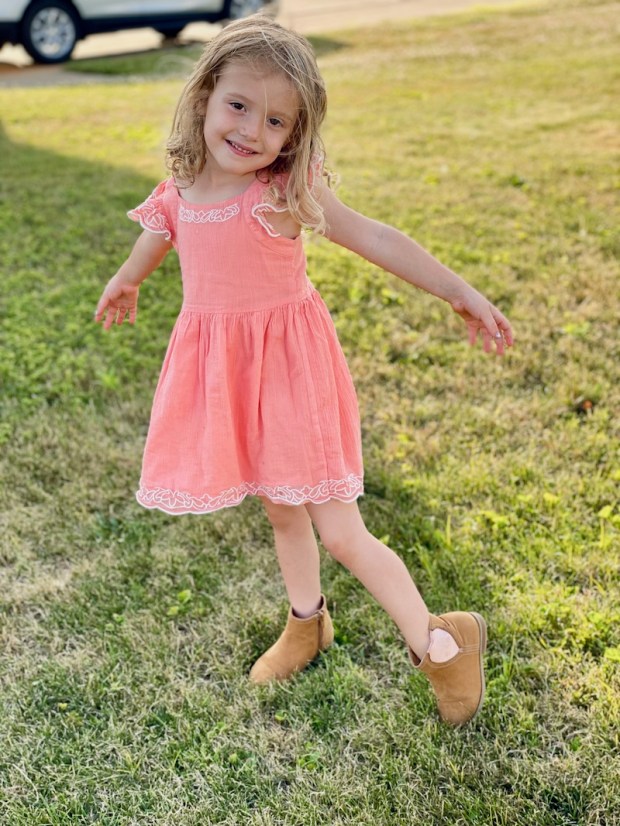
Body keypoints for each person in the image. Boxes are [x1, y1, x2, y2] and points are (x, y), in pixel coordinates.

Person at [95, 15, 513, 726]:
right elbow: (158, 233)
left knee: (341, 531)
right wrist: (128, 281)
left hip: (292, 375)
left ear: (295, 135)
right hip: (231, 378)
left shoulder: (282, 196)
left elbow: (374, 236)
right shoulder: (183, 187)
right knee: (280, 507)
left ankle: (441, 644)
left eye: (276, 120)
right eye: (239, 106)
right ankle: (306, 622)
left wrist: (460, 292)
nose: (252, 130)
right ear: (204, 98)